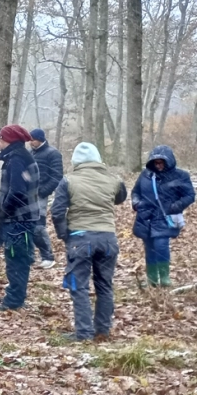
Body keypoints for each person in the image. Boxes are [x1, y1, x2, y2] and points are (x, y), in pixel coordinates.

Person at [50, 143, 127, 340]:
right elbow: (120, 199)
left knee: (79, 286)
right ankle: (102, 330)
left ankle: (84, 333)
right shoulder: (114, 180)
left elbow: (57, 211)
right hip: (108, 238)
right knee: (104, 285)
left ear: (76, 161)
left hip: (80, 238)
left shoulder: (69, 181)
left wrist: (64, 234)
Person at [0, 124, 40, 311]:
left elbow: (17, 191)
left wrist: (4, 211)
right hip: (22, 218)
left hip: (19, 219)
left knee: (16, 258)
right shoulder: (19, 157)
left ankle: (14, 301)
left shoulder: (17, 159)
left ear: (10, 140)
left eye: (0, 138)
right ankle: (15, 296)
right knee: (18, 258)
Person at [131, 145, 195, 287]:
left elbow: (190, 195)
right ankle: (152, 279)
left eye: (161, 162)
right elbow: (135, 191)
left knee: (161, 245)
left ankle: (164, 277)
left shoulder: (181, 176)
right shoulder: (146, 175)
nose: (158, 165)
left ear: (169, 161)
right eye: (156, 162)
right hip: (146, 217)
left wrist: (176, 206)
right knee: (149, 248)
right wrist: (136, 203)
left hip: (165, 216)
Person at [29, 128, 64, 269]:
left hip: (40, 195)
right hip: (28, 195)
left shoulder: (53, 153)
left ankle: (48, 257)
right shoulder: (31, 153)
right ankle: (30, 256)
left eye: (33, 139)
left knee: (38, 226)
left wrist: (43, 192)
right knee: (28, 226)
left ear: (40, 139)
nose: (30, 142)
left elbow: (57, 176)